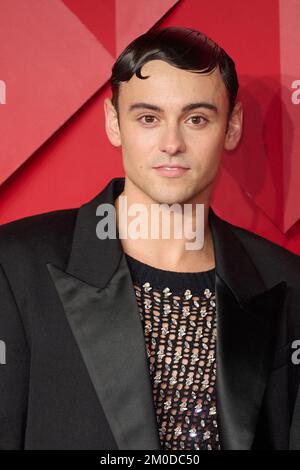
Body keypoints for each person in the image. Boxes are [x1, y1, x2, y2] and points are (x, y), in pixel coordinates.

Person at [0, 26, 300, 451]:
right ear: (114, 123)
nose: (172, 143)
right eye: (148, 118)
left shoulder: (287, 285)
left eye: (196, 119)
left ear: (232, 127)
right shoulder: (15, 266)